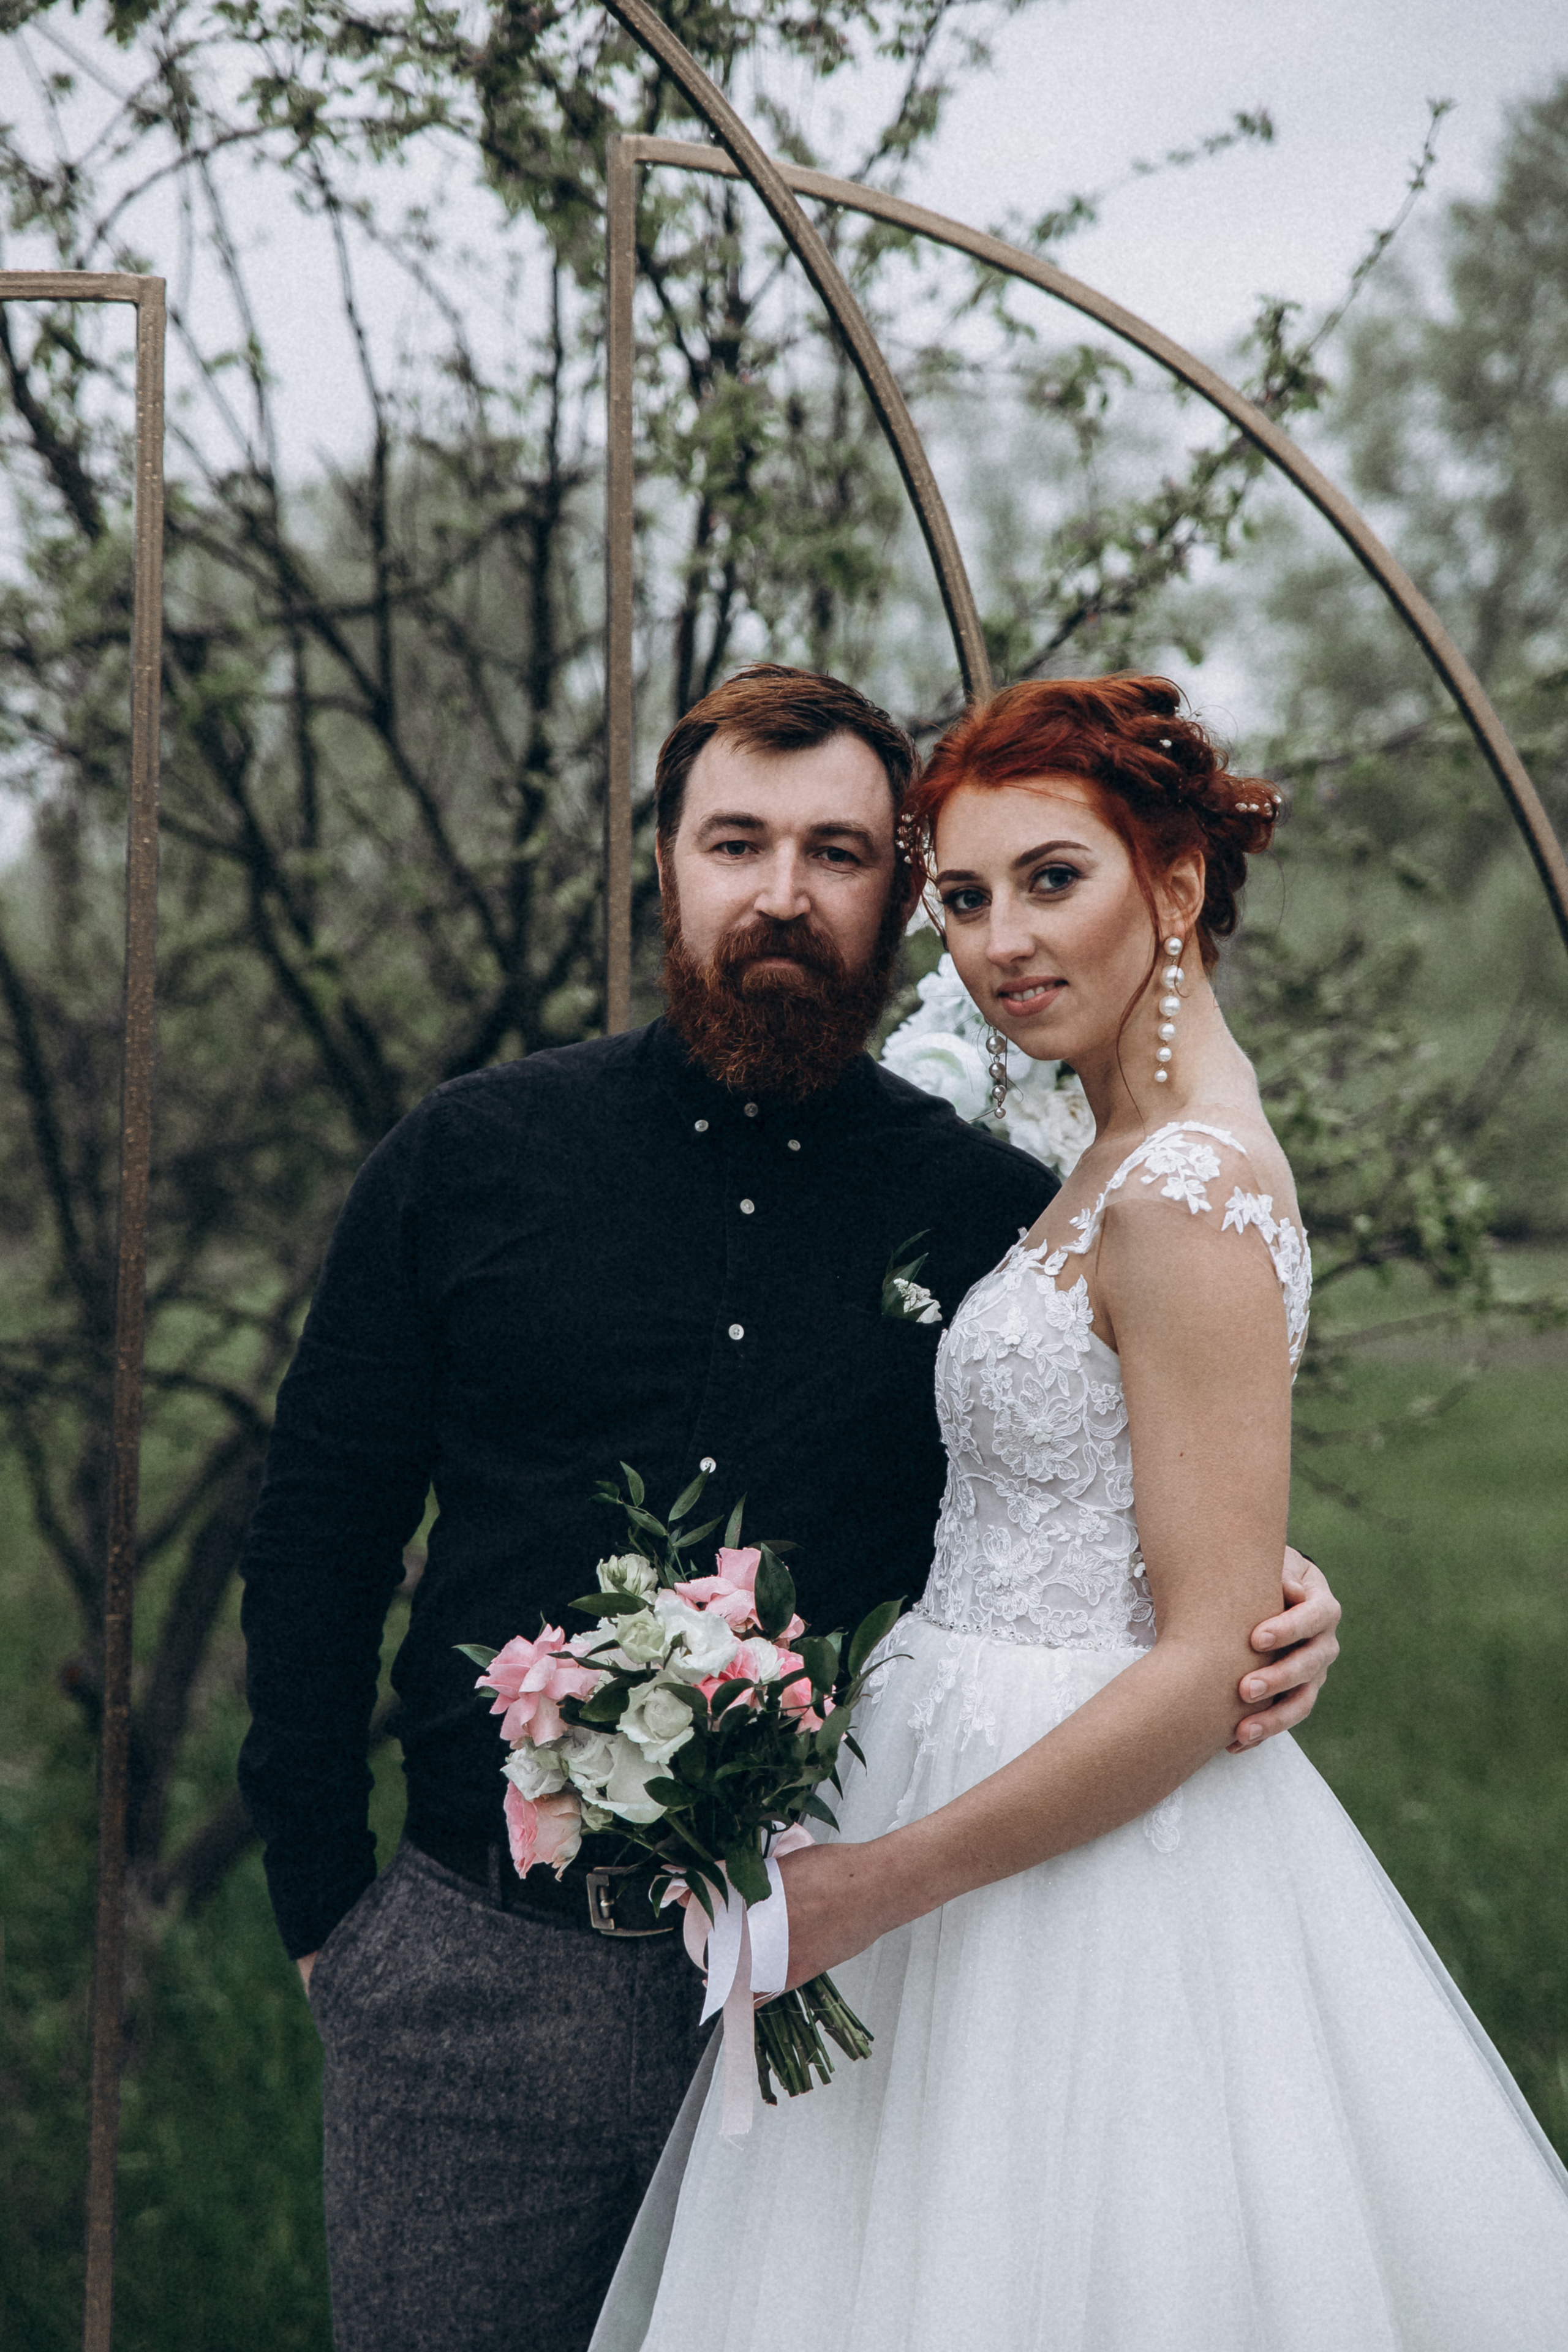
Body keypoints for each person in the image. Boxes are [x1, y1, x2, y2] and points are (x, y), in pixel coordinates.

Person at [236, 666, 1342, 2352]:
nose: (781, 890)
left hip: (838, 1979)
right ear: (664, 867)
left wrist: (1272, 1593)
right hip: (475, 1970)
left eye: (837, 851)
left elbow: (1092, 1470)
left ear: (888, 897)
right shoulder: (469, 1158)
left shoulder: (987, 1208)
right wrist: (332, 1916)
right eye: (733, 841)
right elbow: (317, 1532)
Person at [592, 675, 1568, 2352]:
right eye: (962, 897)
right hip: (958, 1762)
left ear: (1172, 885)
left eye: (1055, 879)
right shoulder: (1092, 1144)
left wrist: (867, 1886)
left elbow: (1198, 1669)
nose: (996, 941)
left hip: (1087, 1860)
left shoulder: (1189, 1189)